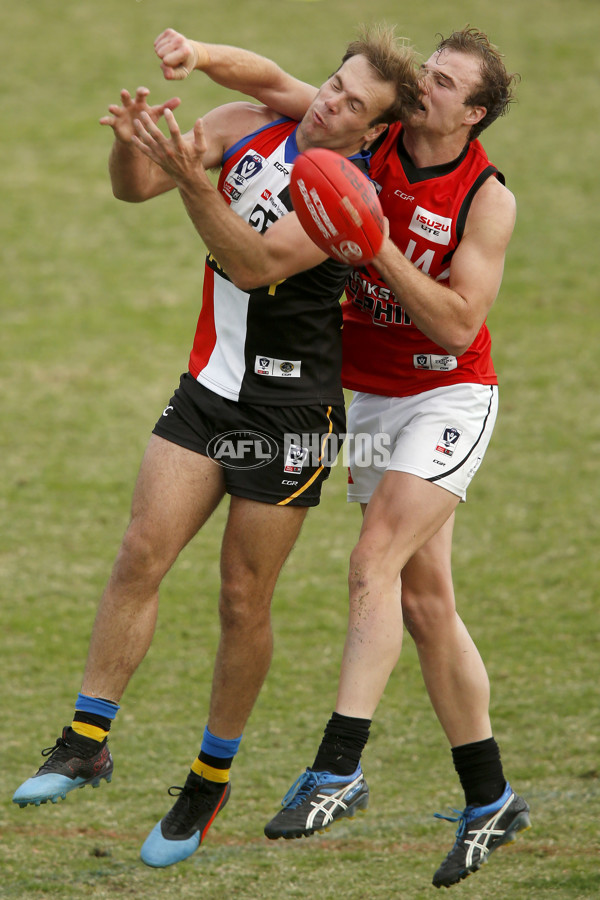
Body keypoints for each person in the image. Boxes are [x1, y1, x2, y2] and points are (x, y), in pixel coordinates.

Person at [11, 29, 421, 870]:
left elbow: (250, 262)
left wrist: (197, 183)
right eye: (334, 84)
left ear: (374, 132)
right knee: (140, 553)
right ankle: (87, 738)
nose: (330, 102)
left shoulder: (352, 197)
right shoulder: (251, 121)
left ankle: (209, 777)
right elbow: (139, 189)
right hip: (209, 388)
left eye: (352, 104)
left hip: (293, 414)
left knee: (242, 598)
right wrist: (137, 145)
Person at [155, 25, 531, 888]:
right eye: (426, 72)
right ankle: (490, 797)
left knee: (374, 565)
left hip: (446, 397)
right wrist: (203, 54)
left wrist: (374, 241)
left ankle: (339, 767)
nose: (424, 86)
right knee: (427, 602)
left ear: (474, 114)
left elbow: (456, 325)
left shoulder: (486, 199)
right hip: (365, 398)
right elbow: (278, 79)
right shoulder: (371, 133)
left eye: (443, 82)